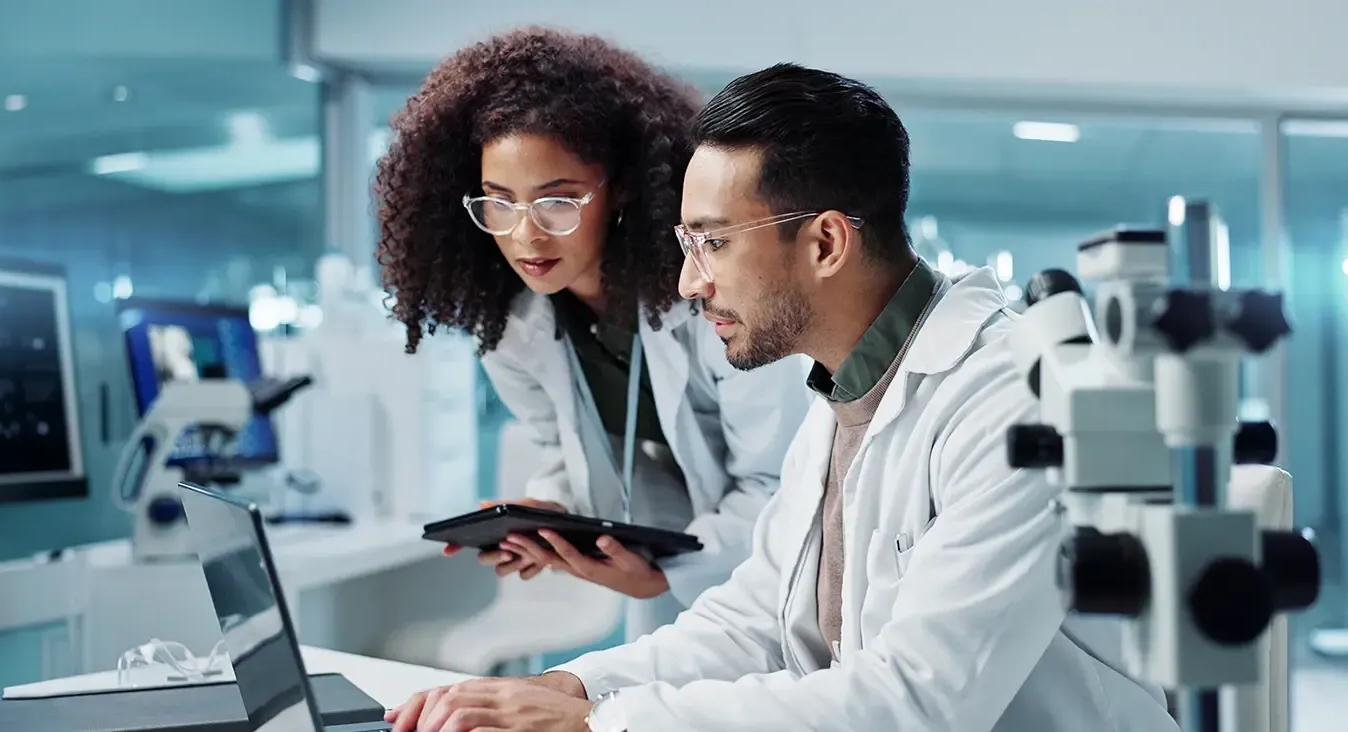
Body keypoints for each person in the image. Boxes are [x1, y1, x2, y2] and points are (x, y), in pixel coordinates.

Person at [385, 63, 1180, 732]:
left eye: (714, 244)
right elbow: (757, 618)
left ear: (827, 242)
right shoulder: (841, 396)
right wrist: (575, 689)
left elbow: (918, 700)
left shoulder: (1011, 399)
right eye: (688, 245)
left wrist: (606, 724)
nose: (691, 283)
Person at [373, 28, 810, 643]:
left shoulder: (715, 301)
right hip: (690, 582)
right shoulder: (513, 329)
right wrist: (553, 515)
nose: (526, 237)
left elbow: (778, 482)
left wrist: (669, 572)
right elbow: (563, 448)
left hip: (795, 576)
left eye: (558, 202)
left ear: (624, 186)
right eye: (499, 203)